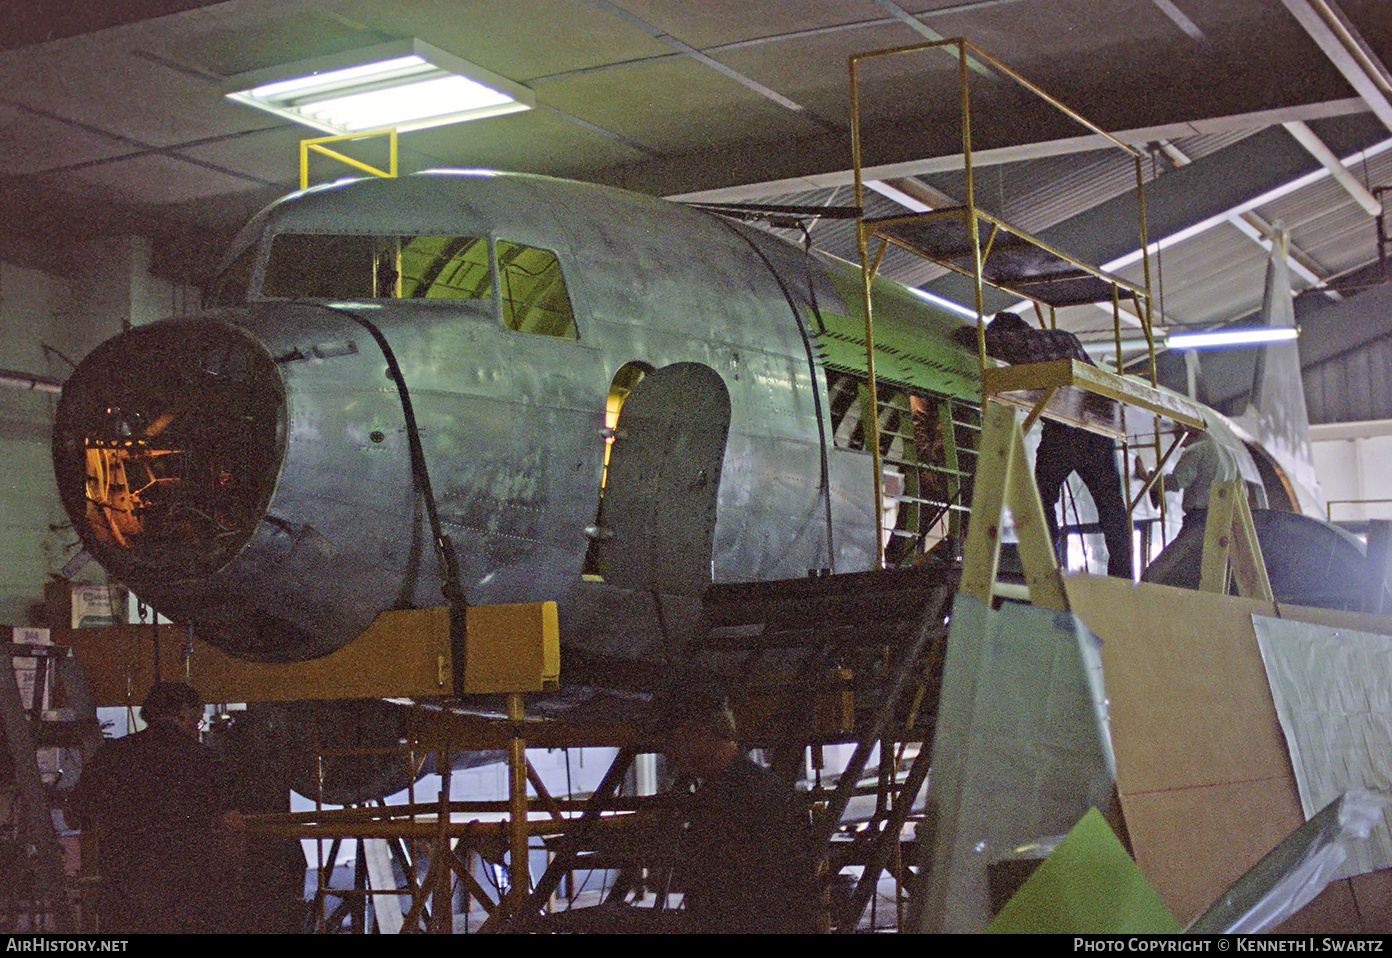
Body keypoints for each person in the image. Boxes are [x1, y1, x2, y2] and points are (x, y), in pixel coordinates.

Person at [965, 311, 1133, 579]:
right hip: (1100, 426)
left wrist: (968, 333)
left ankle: (1052, 568)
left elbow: (988, 341)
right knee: (1111, 505)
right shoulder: (1064, 337)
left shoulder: (1017, 342)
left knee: (1043, 498)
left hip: (1063, 428)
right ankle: (1123, 576)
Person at [72, 682, 245, 934]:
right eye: (198, 718)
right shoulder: (206, 760)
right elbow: (231, 826)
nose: (198, 726)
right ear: (184, 712)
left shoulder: (110, 755)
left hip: (124, 893)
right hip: (189, 896)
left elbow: (77, 814)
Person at [665, 693, 818, 934]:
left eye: (676, 741)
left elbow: (734, 888)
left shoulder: (740, 795)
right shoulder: (746, 786)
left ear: (702, 734)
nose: (670, 752)